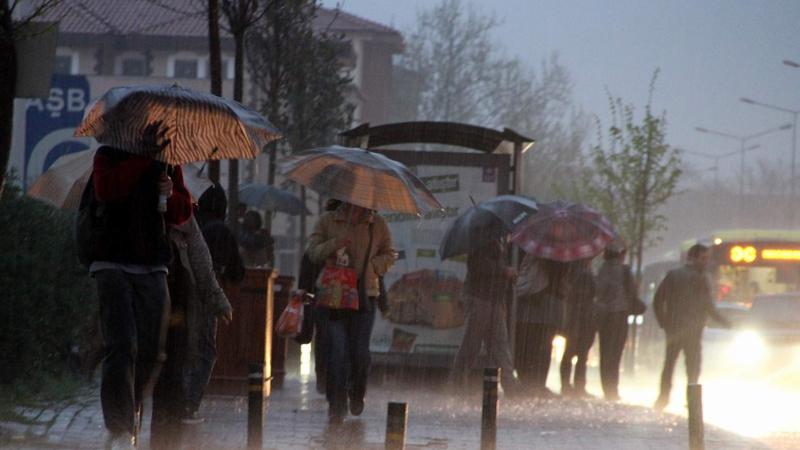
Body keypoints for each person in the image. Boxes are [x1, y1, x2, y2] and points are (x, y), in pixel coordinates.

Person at [84, 145, 192, 449]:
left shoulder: (169, 160)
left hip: (153, 264)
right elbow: (106, 190)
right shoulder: (108, 154)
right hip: (111, 260)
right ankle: (119, 427)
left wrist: (170, 193)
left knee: (152, 350)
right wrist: (142, 159)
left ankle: (129, 406)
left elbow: (182, 213)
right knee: (120, 345)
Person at [307, 201, 395, 424]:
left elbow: (390, 253)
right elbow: (313, 252)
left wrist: (374, 266)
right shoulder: (328, 220)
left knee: (359, 352)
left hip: (365, 298)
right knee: (337, 351)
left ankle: (357, 391)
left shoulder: (377, 224)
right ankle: (336, 403)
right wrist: (334, 244)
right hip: (333, 298)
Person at [151, 215, 232, 448]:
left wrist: (218, 301)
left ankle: (167, 436)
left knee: (172, 373)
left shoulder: (182, 215)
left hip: (177, 309)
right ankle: (129, 426)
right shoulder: (133, 207)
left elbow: (201, 261)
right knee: (150, 370)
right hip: (147, 303)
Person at [188, 185, 245, 422]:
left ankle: (173, 402)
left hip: (177, 294)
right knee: (205, 351)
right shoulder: (220, 230)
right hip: (204, 298)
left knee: (182, 349)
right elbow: (236, 272)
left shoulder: (189, 223)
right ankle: (188, 404)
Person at [653, 243, 730, 410]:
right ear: (693, 258)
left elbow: (658, 300)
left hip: (674, 328)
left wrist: (664, 323)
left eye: (707, 259)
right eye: (703, 258)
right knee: (693, 367)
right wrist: (726, 323)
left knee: (669, 364)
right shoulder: (701, 279)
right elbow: (708, 306)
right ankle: (692, 401)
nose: (706, 262)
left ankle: (663, 398)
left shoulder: (673, 275)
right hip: (693, 330)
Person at [449, 231, 518, 393]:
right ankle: (457, 383)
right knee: (472, 343)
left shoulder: (499, 240)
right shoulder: (481, 239)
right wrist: (504, 271)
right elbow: (479, 265)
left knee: (500, 345)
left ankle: (511, 387)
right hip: (480, 298)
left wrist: (502, 297)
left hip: (493, 300)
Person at [514, 255, 569, 397]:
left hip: (530, 307)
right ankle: (536, 384)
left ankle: (528, 382)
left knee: (529, 346)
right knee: (542, 348)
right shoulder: (554, 257)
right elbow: (560, 278)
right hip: (544, 309)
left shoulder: (529, 253)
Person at [593, 242, 636, 401]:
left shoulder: (601, 270)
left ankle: (607, 389)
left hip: (603, 316)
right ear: (621, 254)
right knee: (616, 354)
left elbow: (597, 292)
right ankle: (613, 390)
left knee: (605, 353)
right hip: (619, 315)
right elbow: (632, 292)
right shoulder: (625, 270)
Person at [559, 258, 596, 397]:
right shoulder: (585, 274)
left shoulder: (571, 274)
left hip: (573, 318)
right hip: (583, 318)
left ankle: (566, 385)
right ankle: (578, 386)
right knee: (581, 353)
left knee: (570, 352)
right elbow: (593, 292)